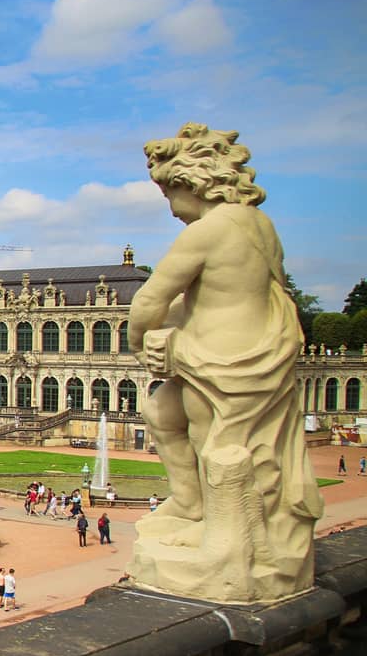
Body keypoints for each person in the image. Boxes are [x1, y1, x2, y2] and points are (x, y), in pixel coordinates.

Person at [128, 124, 323, 566]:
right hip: (257, 346)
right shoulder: (261, 226)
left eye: (168, 197)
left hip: (222, 358)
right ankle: (192, 503)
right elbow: (237, 290)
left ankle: (226, 537)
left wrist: (141, 346)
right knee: (161, 411)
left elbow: (150, 299)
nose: (173, 210)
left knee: (214, 440)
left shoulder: (207, 231)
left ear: (189, 182)